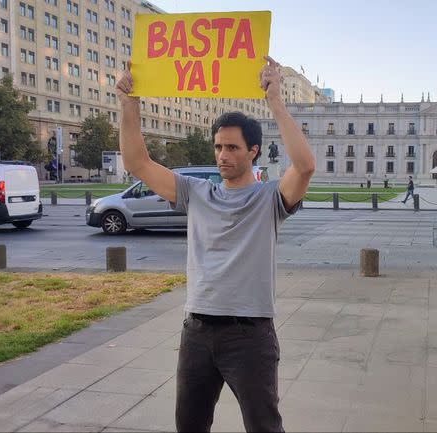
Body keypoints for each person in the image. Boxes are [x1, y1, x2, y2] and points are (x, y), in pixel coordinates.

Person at [116, 56, 315, 433]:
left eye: (233, 148)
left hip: (250, 335)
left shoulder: (270, 199)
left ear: (253, 150)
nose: (223, 155)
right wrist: (129, 103)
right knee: (189, 426)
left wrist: (276, 101)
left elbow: (304, 166)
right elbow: (138, 163)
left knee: (264, 428)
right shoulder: (196, 192)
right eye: (218, 147)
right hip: (197, 332)